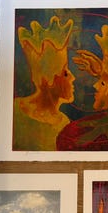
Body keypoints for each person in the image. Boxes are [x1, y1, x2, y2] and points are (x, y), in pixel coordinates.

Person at [13, 16, 75, 151]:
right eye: (65, 73)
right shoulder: (15, 110)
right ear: (49, 79)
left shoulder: (65, 125)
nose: (73, 78)